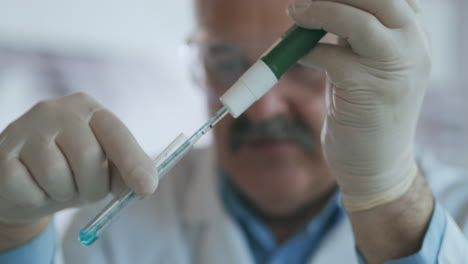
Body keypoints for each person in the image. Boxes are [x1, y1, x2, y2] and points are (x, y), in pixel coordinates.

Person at [1, 0, 467, 263]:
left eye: (302, 63)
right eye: (224, 61)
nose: (262, 109)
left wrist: (387, 201)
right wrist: (13, 234)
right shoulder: (121, 228)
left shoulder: (456, 217)